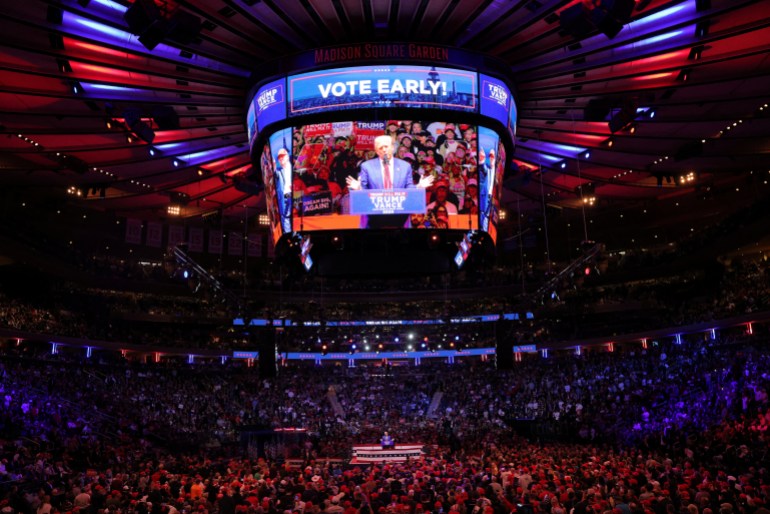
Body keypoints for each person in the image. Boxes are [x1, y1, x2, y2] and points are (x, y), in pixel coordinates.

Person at [346, 135, 433, 191]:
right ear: (376, 151)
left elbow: (408, 189)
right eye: (380, 148)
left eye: (386, 147)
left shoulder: (405, 166)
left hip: (399, 213)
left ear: (392, 147)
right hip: (375, 214)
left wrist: (419, 187)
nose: (384, 150)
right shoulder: (367, 166)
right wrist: (358, 188)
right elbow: (364, 189)